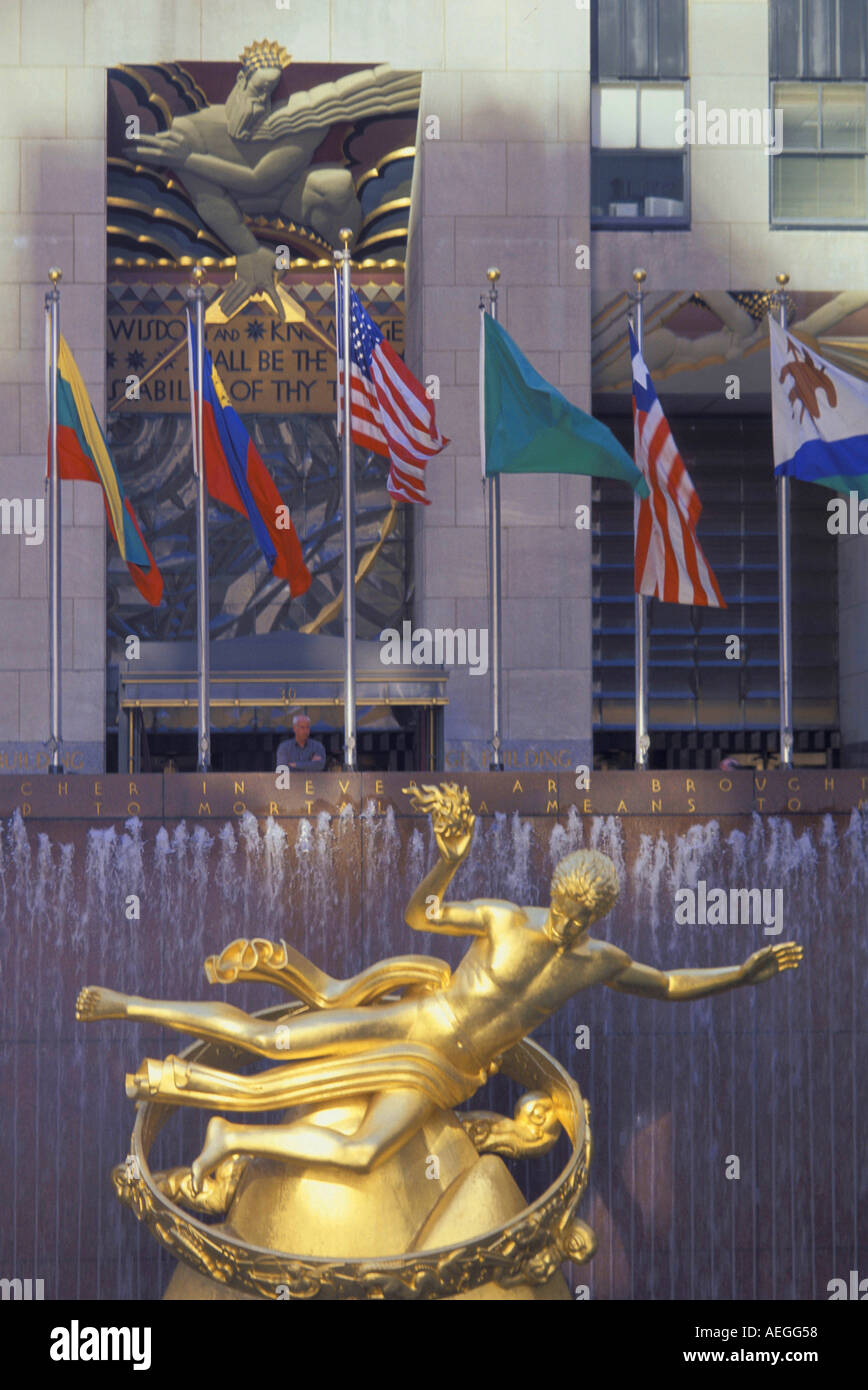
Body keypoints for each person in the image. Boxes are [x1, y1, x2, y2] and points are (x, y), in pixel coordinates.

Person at [76, 785, 802, 1188]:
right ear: (553, 892)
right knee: (273, 1036)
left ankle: (229, 1135)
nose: (566, 921)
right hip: (415, 1023)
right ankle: (127, 1004)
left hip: (447, 1075)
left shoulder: (599, 961)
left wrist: (741, 972)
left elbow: (670, 982)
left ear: (598, 915)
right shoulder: (505, 918)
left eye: (581, 916)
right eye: (563, 906)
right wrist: (448, 860)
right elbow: (420, 913)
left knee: (363, 1154)